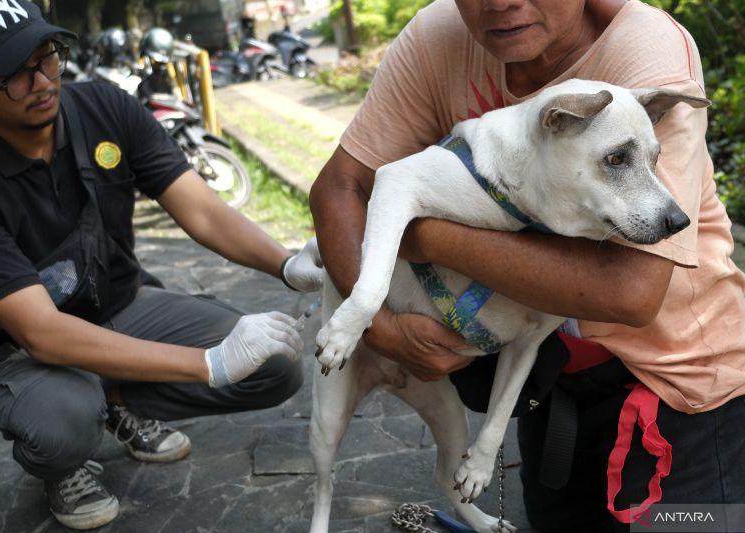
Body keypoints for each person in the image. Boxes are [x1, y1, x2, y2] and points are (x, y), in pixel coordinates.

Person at [310, 0, 745, 531]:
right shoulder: (438, 35)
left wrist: (425, 234)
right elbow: (340, 186)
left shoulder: (645, 48)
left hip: (683, 389)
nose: (500, 3)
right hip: (552, 383)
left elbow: (628, 292)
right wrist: (376, 325)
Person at [0, 1, 322, 530]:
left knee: (275, 365)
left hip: (119, 304)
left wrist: (285, 264)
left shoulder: (104, 106)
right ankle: (68, 453)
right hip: (18, 353)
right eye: (13, 74)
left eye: (47, 57)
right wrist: (209, 365)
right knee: (63, 423)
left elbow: (203, 210)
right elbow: (42, 333)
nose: (42, 81)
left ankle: (114, 397)